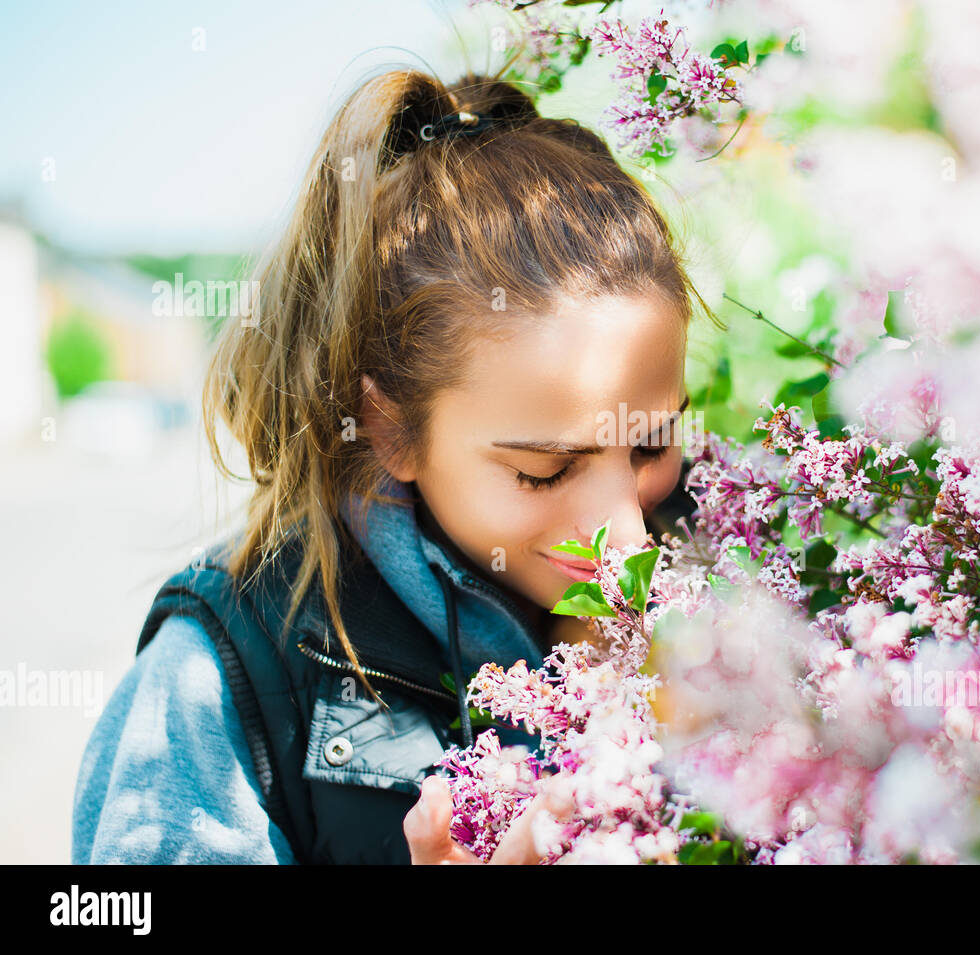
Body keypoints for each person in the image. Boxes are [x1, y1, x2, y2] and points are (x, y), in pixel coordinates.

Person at [70, 65, 716, 864]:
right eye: (545, 471)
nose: (627, 535)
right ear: (389, 429)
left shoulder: (750, 581)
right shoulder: (217, 685)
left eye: (652, 442)